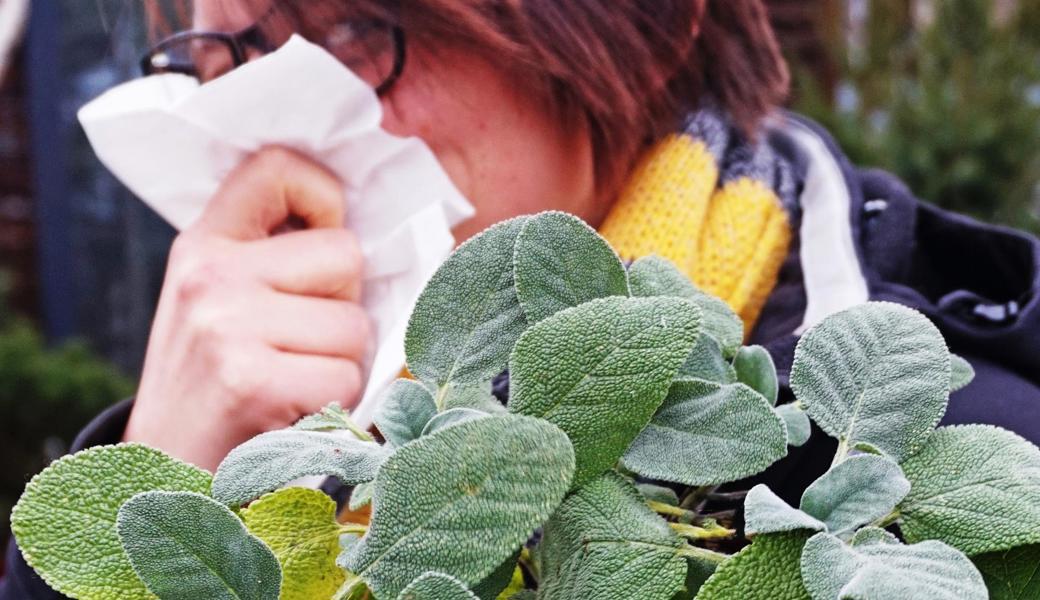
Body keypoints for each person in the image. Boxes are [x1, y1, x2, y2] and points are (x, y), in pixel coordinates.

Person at [4, 0, 1039, 596]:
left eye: (356, 23)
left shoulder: (955, 448)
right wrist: (164, 467)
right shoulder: (272, 436)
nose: (286, 117)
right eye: (227, 54)